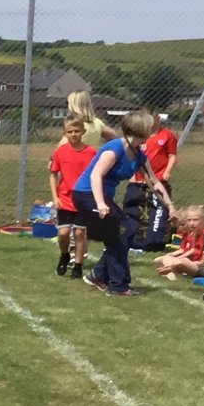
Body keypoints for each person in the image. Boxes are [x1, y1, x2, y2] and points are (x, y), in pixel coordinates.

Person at [71, 110, 170, 297]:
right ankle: (118, 285)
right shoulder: (114, 148)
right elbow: (95, 175)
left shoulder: (139, 154)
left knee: (127, 231)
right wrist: (100, 203)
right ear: (141, 129)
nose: (154, 128)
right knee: (120, 234)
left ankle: (98, 275)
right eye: (150, 126)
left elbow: (154, 182)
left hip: (102, 197)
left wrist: (169, 206)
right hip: (87, 193)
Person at [47, 112, 96, 279]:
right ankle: (65, 254)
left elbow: (97, 175)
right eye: (70, 132)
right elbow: (53, 175)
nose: (74, 134)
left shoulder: (91, 153)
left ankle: (78, 265)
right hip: (65, 199)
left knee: (80, 234)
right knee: (63, 233)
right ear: (64, 133)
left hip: (83, 199)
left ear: (83, 131)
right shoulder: (60, 152)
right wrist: (55, 197)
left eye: (77, 131)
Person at [132, 116, 180, 251]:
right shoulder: (139, 136)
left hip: (158, 179)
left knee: (158, 207)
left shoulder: (166, 135)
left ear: (157, 119)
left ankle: (155, 240)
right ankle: (136, 239)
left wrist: (168, 171)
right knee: (136, 208)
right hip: (139, 179)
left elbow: (172, 155)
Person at [154, 207, 204, 279]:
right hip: (194, 263)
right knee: (167, 258)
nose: (191, 223)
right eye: (189, 220)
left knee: (183, 261)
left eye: (195, 220)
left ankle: (173, 271)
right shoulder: (196, 234)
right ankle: (172, 271)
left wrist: (180, 264)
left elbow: (202, 263)